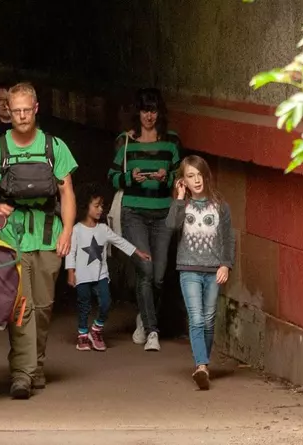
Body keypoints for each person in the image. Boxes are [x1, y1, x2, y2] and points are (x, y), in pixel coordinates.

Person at [0, 82, 77, 399]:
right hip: (11, 238)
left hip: (47, 236)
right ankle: (21, 374)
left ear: (35, 109)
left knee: (44, 308)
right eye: (14, 110)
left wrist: (68, 231)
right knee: (22, 307)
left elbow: (67, 193)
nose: (20, 115)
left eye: (25, 110)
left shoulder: (53, 147)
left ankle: (37, 366)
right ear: (8, 110)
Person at [108, 88, 181, 352]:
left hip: (162, 212)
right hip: (134, 212)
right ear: (137, 113)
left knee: (159, 276)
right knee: (146, 270)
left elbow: (180, 176)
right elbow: (112, 176)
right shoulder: (125, 141)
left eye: (153, 110)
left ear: (159, 113)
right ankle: (152, 331)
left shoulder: (171, 141)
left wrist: (167, 178)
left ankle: (144, 317)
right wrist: (131, 178)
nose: (149, 116)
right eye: (144, 110)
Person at [166, 155, 235, 390]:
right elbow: (171, 226)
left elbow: (228, 238)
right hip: (188, 269)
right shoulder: (182, 205)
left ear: (206, 175)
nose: (196, 180)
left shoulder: (220, 205)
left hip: (213, 269)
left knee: (208, 318)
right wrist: (179, 197)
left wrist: (226, 264)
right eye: (190, 176)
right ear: (182, 180)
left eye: (199, 175)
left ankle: (202, 365)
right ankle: (202, 366)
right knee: (196, 317)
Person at [66, 185, 150, 351]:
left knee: (106, 302)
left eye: (101, 206)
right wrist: (71, 272)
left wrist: (137, 252)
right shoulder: (76, 230)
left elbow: (120, 241)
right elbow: (71, 252)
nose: (100, 209)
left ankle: (96, 330)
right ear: (86, 207)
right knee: (84, 304)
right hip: (82, 275)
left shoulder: (103, 229)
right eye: (96, 206)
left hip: (101, 275)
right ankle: (82, 335)